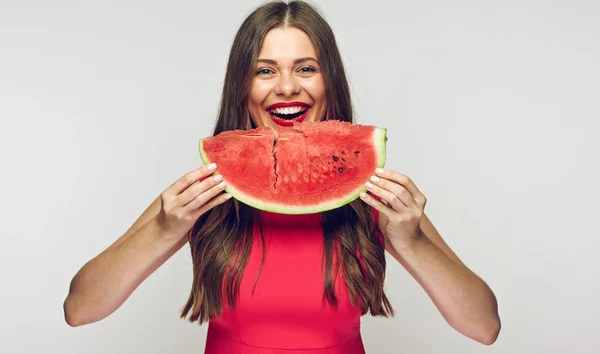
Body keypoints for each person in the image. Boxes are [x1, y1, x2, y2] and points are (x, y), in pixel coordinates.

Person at [63, 1, 501, 352]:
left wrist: (411, 240)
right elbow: (80, 308)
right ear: (243, 85)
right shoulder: (205, 192)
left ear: (330, 81)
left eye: (306, 68)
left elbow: (483, 326)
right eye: (265, 69)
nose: (287, 87)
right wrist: (163, 230)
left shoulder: (375, 196)